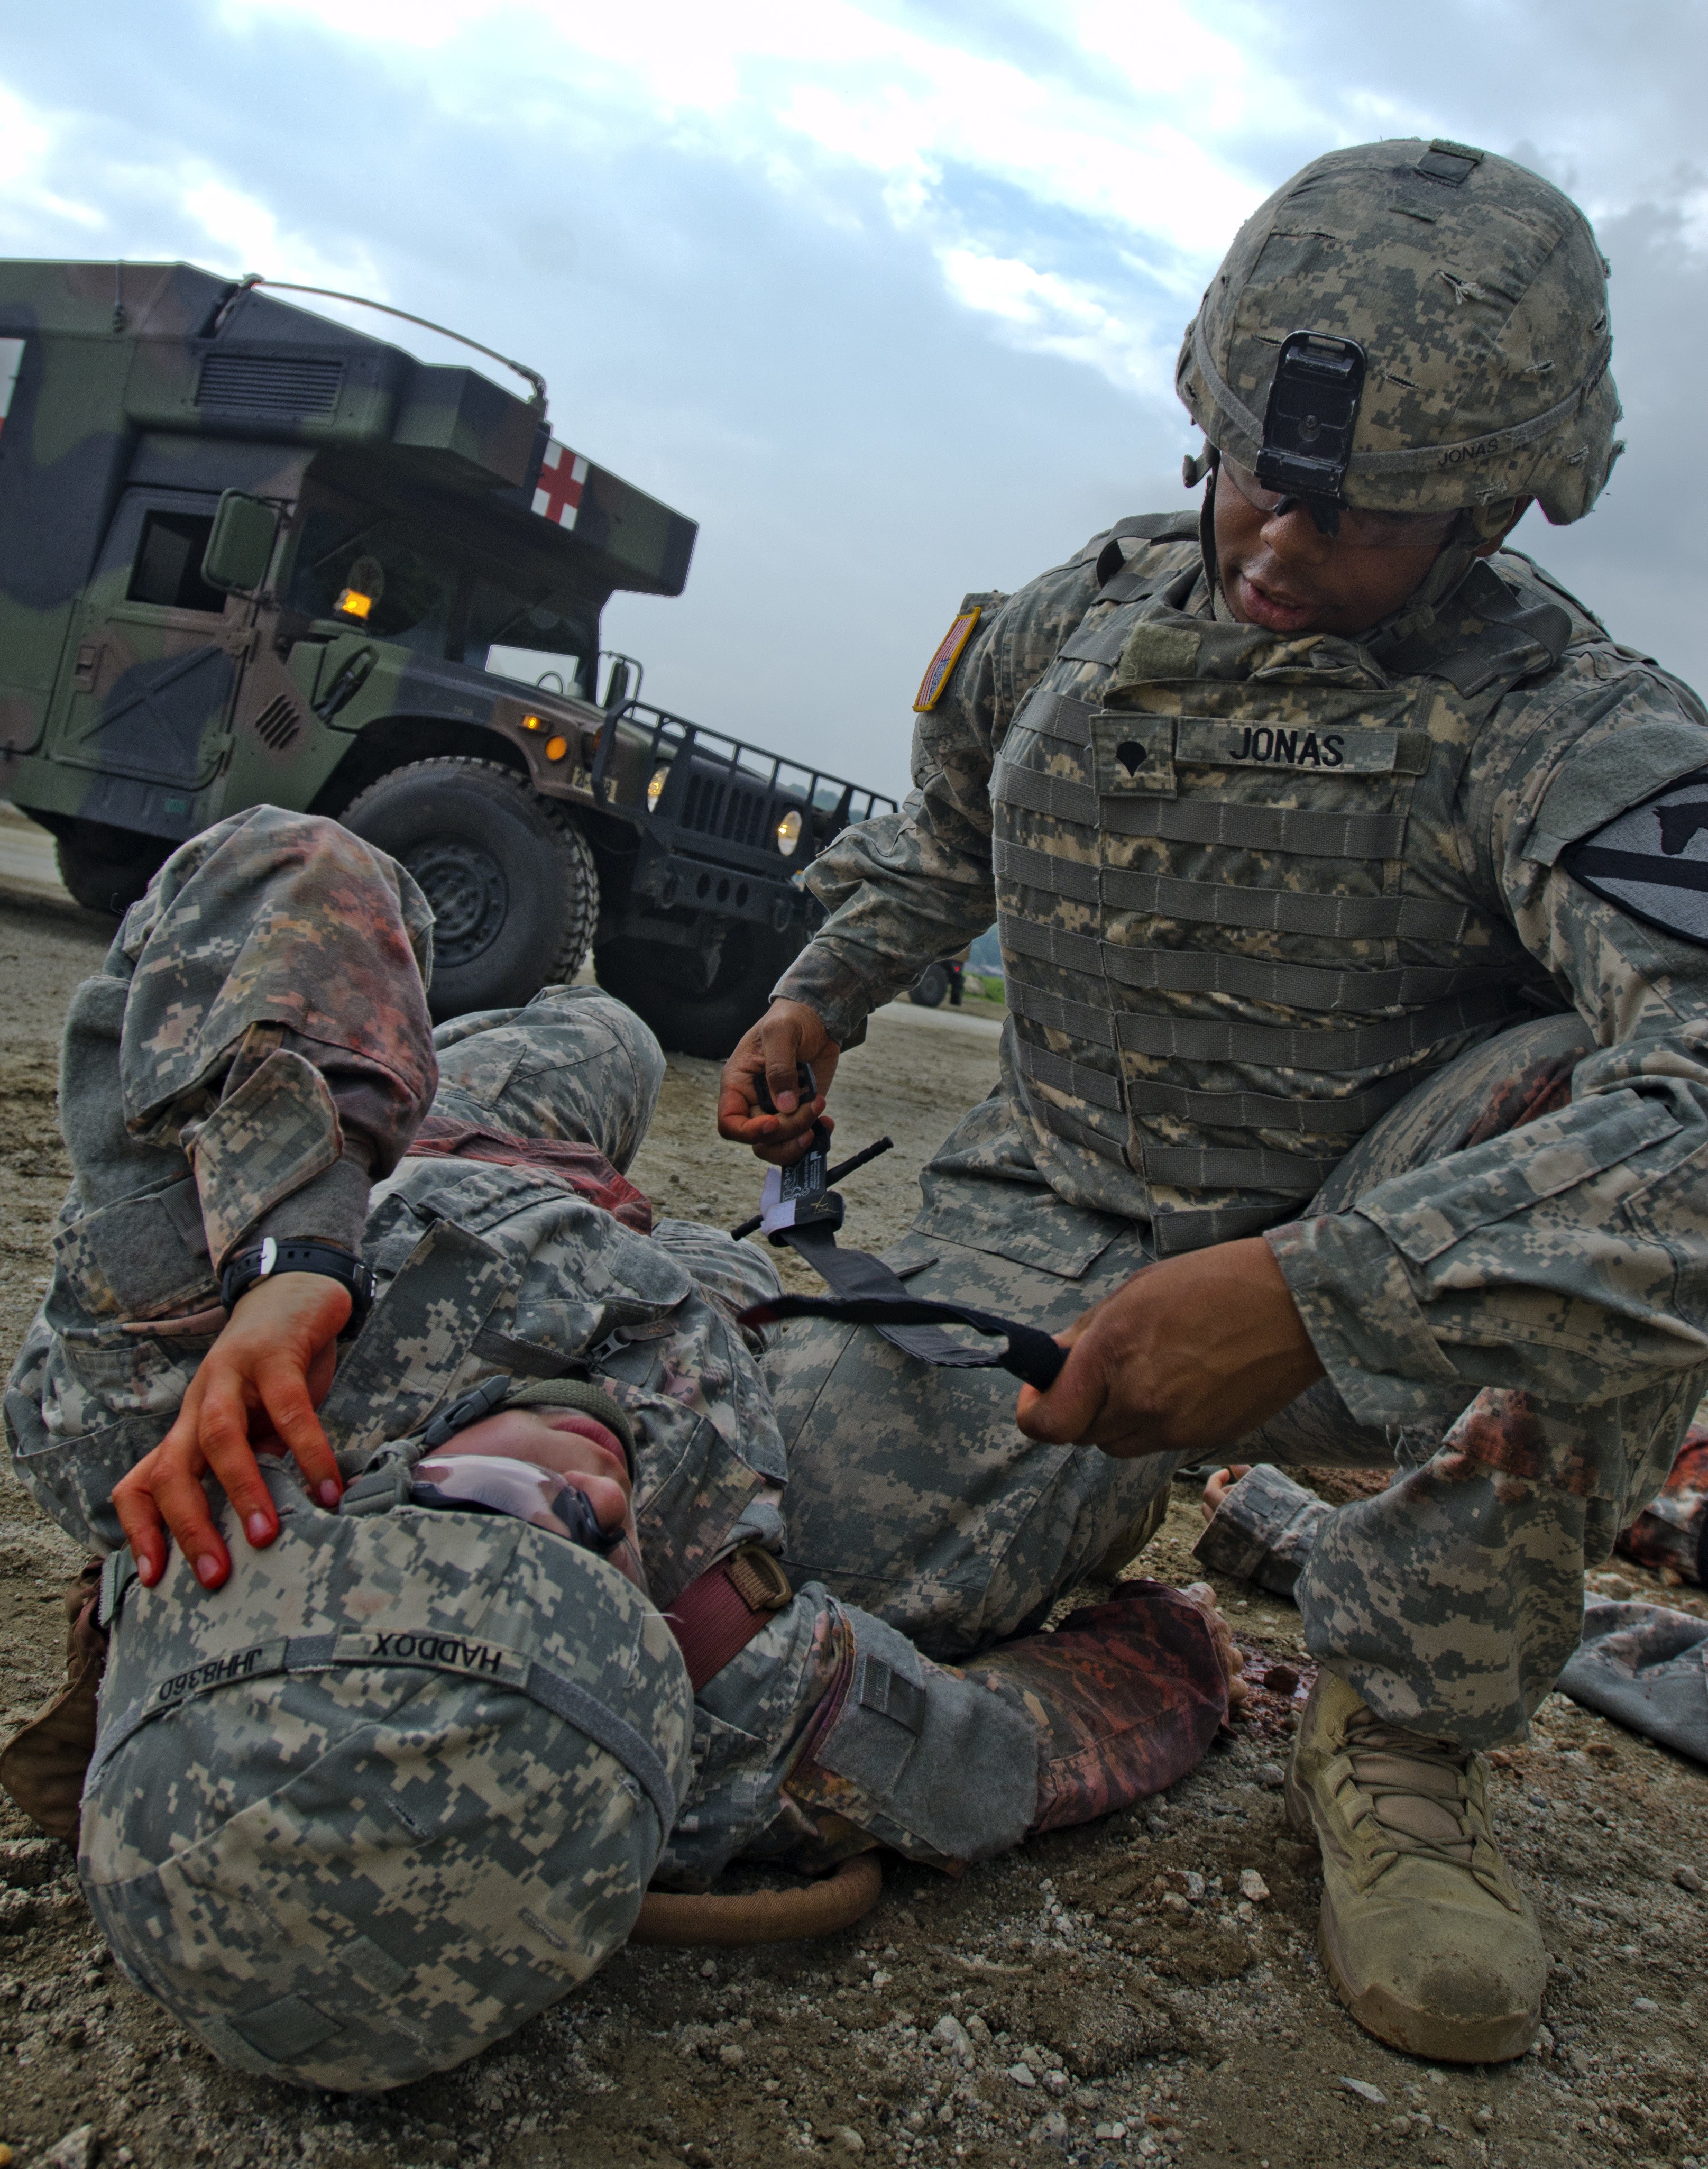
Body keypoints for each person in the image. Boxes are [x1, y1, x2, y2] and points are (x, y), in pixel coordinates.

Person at [718, 137, 1708, 2065]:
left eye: (1352, 522)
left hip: (1374, 1263)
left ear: (1502, 507)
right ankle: (1155, 1578)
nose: (1271, 548)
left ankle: (1402, 1735)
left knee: (1591, 1110)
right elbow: (936, 846)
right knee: (780, 1545)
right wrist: (816, 993)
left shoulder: (1575, 735)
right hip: (1052, 1240)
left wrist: (1310, 1292)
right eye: (1255, 477)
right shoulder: (1069, 629)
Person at [0, 806, 1236, 2093]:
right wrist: (1191, 1645)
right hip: (700, 1302)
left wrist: (286, 1252)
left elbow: (282, 866)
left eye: (481, 1497)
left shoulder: (152, 1402)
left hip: (441, 1156)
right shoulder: (726, 1695)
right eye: (609, 1558)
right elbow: (1006, 1756)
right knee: (998, 1470)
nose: (589, 1484)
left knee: (616, 1034)